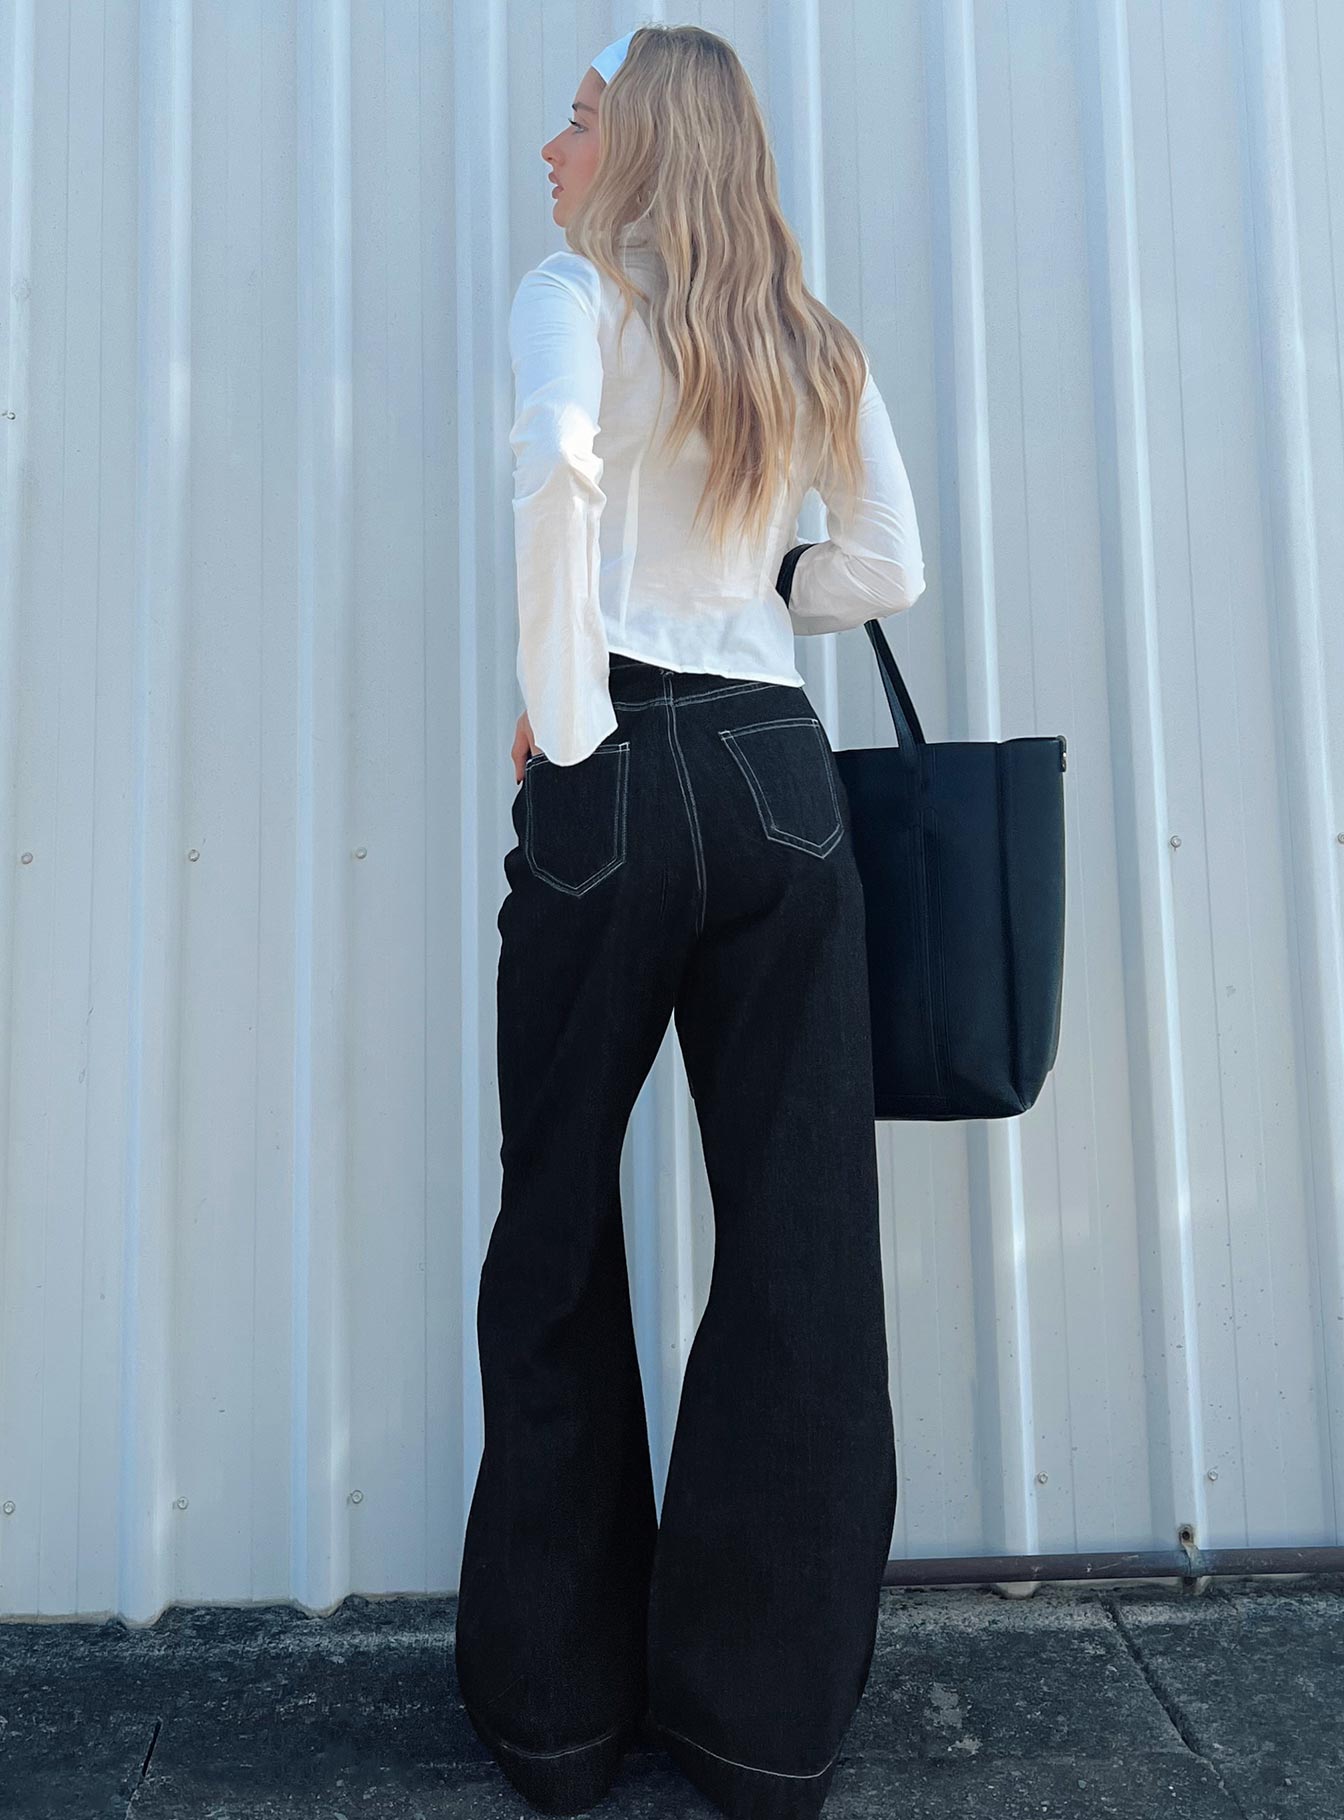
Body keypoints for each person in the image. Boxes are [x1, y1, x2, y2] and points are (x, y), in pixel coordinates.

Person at [452, 23, 926, 1820]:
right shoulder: (805, 335)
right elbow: (887, 568)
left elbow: (559, 470)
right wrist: (755, 589)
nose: (552, 143)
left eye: (577, 116)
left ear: (642, 138)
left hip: (623, 761)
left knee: (557, 1228)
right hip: (781, 781)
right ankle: (763, 1729)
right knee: (801, 1246)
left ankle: (563, 1725)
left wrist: (569, 718)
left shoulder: (572, 296)